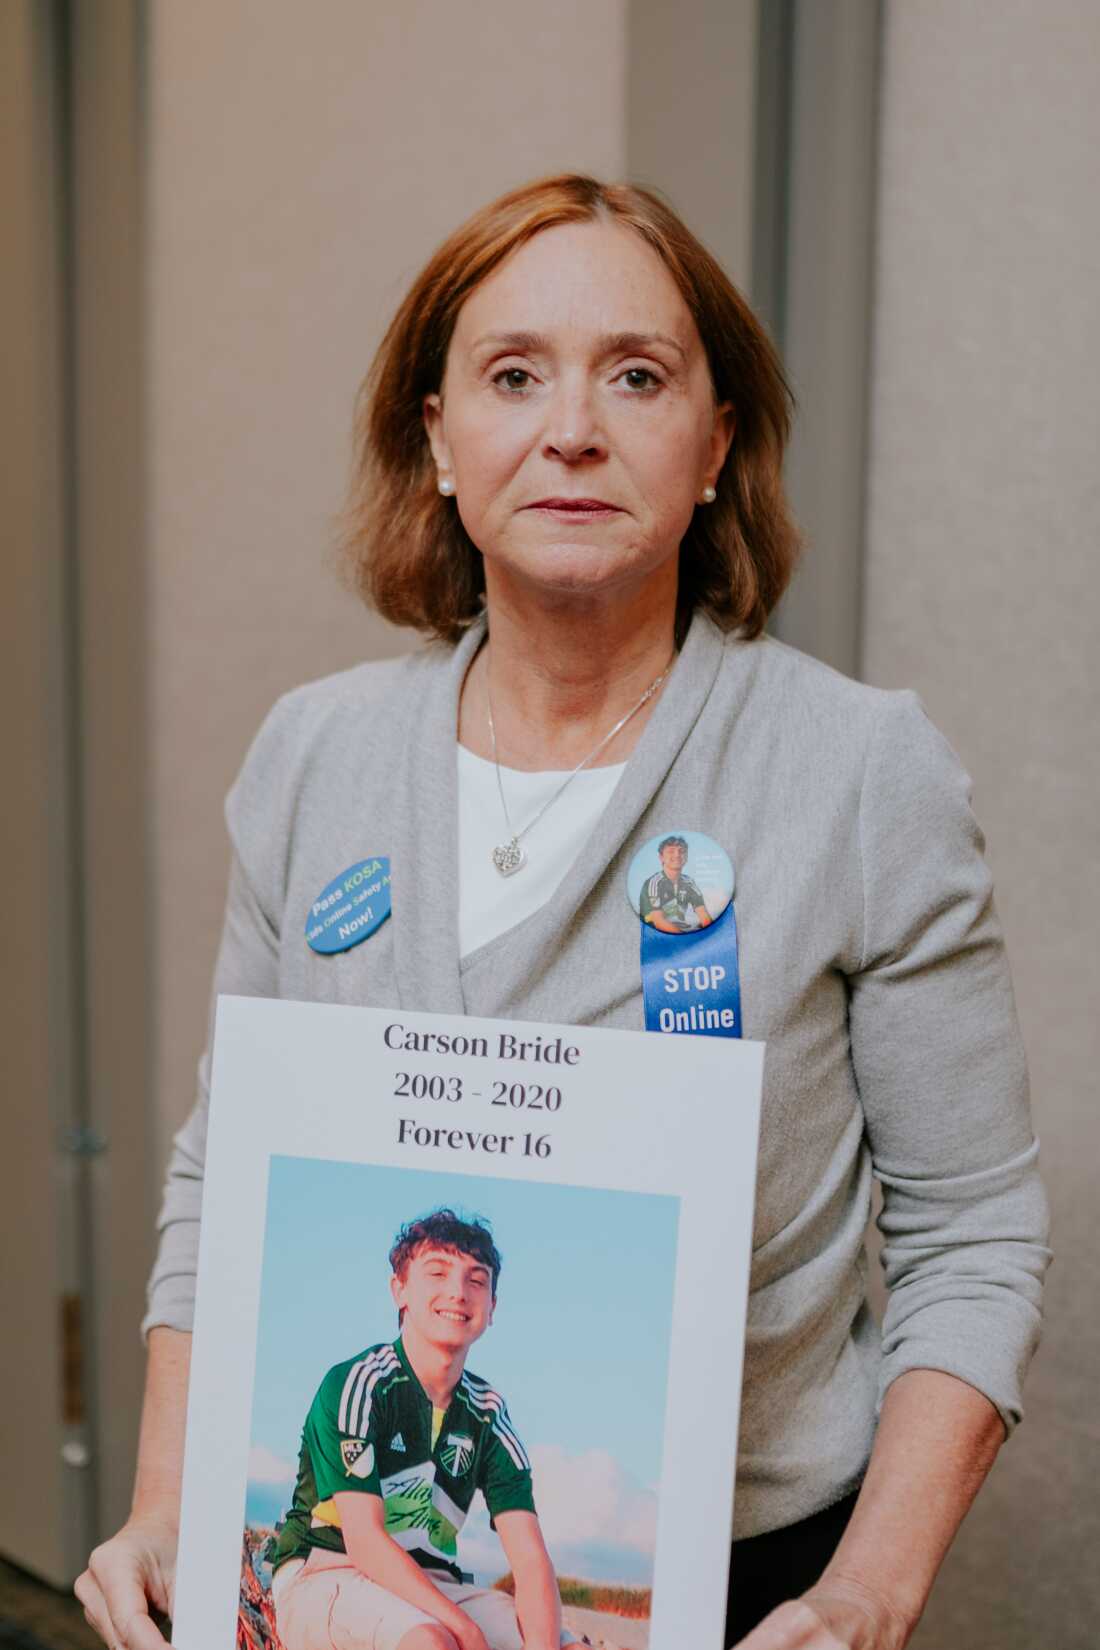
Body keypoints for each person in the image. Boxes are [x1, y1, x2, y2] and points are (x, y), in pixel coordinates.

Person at [76, 173, 1050, 1650]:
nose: (573, 426)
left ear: (717, 446)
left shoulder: (858, 772)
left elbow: (972, 1231)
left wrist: (866, 1590)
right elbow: (229, 1178)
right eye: (514, 374)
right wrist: (170, 1494)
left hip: (758, 1583)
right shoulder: (312, 757)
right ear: (440, 440)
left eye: (638, 376)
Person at [269, 1209, 575, 1650]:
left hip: (434, 1581)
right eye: (437, 1272)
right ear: (400, 1291)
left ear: (492, 1308)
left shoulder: (487, 1412)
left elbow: (529, 1559)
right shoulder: (359, 1384)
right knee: (433, 1641)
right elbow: (365, 1542)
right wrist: (465, 1630)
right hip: (330, 1568)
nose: (458, 1292)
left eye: (476, 1280)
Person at [638, 834, 713, 931]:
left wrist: (711, 933)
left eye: (681, 851)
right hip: (656, 932)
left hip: (681, 930)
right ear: (661, 857)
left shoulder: (689, 882)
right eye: (671, 851)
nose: (677, 855)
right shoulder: (653, 883)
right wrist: (686, 939)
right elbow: (658, 921)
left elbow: (704, 915)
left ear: (686, 856)